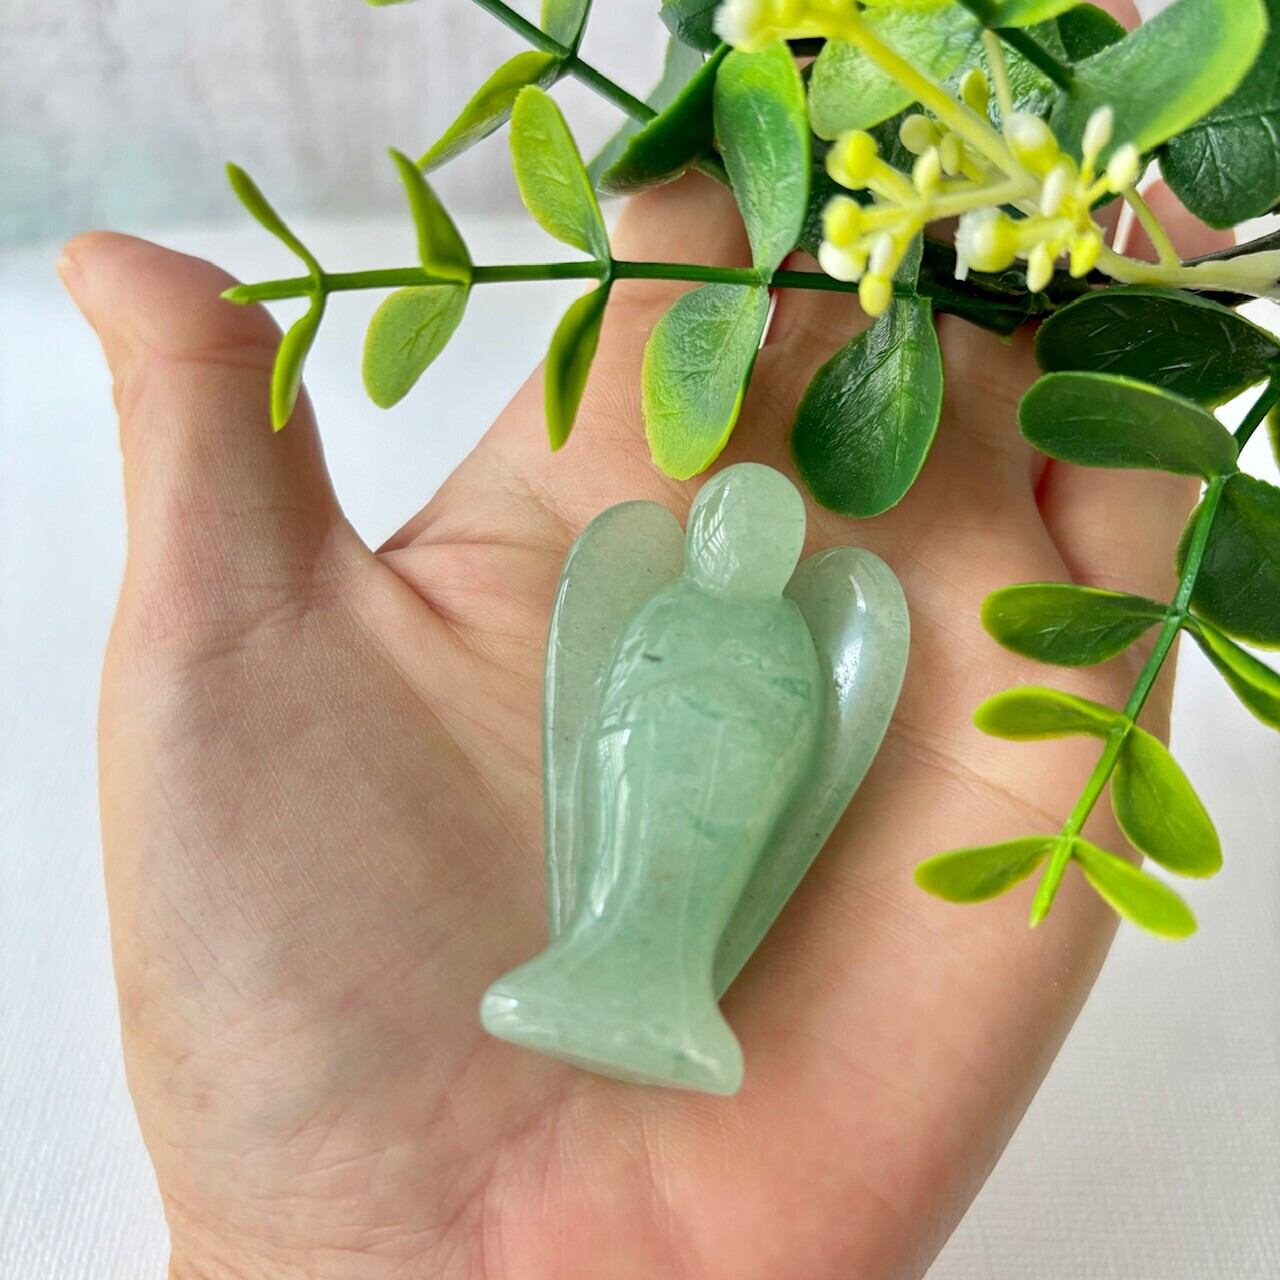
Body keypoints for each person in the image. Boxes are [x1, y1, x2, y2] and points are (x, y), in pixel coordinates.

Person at [60, 5, 1231, 1271]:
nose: (739, 551)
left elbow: (794, 741)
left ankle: (669, 987)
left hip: (719, 804)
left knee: (699, 874)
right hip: (639, 791)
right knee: (631, 859)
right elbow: (609, 712)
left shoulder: (795, 631)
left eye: (754, 540)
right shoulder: (653, 593)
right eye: (728, 530)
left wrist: (733, 712)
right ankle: (599, 964)